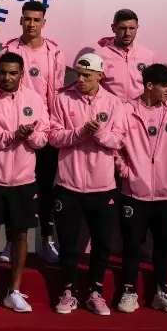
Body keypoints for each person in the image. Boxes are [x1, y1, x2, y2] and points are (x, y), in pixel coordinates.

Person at [0, 52, 48, 314]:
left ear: (22, 74)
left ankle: (13, 291)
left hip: (24, 180)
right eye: (3, 72)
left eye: (13, 73)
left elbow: (43, 138)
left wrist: (30, 135)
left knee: (20, 234)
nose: (7, 77)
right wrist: (10, 136)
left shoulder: (34, 100)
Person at [48, 53, 124, 316]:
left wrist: (99, 133)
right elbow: (54, 137)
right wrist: (80, 133)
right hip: (68, 185)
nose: (80, 79)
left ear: (100, 76)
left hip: (102, 187)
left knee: (102, 244)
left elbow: (119, 140)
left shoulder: (113, 103)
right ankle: (68, 291)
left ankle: (95, 292)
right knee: (68, 244)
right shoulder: (63, 99)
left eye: (87, 75)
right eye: (78, 74)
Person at [0, 0, 65, 264]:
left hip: (42, 130)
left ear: (44, 22)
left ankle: (46, 240)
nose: (31, 24)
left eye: (36, 20)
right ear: (20, 20)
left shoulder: (54, 53)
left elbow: (56, 94)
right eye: (27, 19)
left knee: (45, 188)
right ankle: (11, 242)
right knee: (14, 189)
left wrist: (53, 126)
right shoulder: (9, 50)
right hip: (14, 130)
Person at [115, 63, 167, 314]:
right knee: (132, 245)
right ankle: (128, 291)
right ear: (149, 86)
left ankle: (162, 291)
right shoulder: (126, 111)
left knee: (163, 246)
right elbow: (116, 147)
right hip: (134, 193)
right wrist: (127, 173)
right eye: (164, 86)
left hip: (165, 194)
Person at [91, 9, 156, 102]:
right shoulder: (99, 55)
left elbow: (153, 88)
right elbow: (93, 88)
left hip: (137, 109)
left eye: (132, 28)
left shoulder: (147, 55)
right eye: (122, 28)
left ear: (137, 28)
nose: (127, 33)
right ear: (113, 28)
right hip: (110, 108)